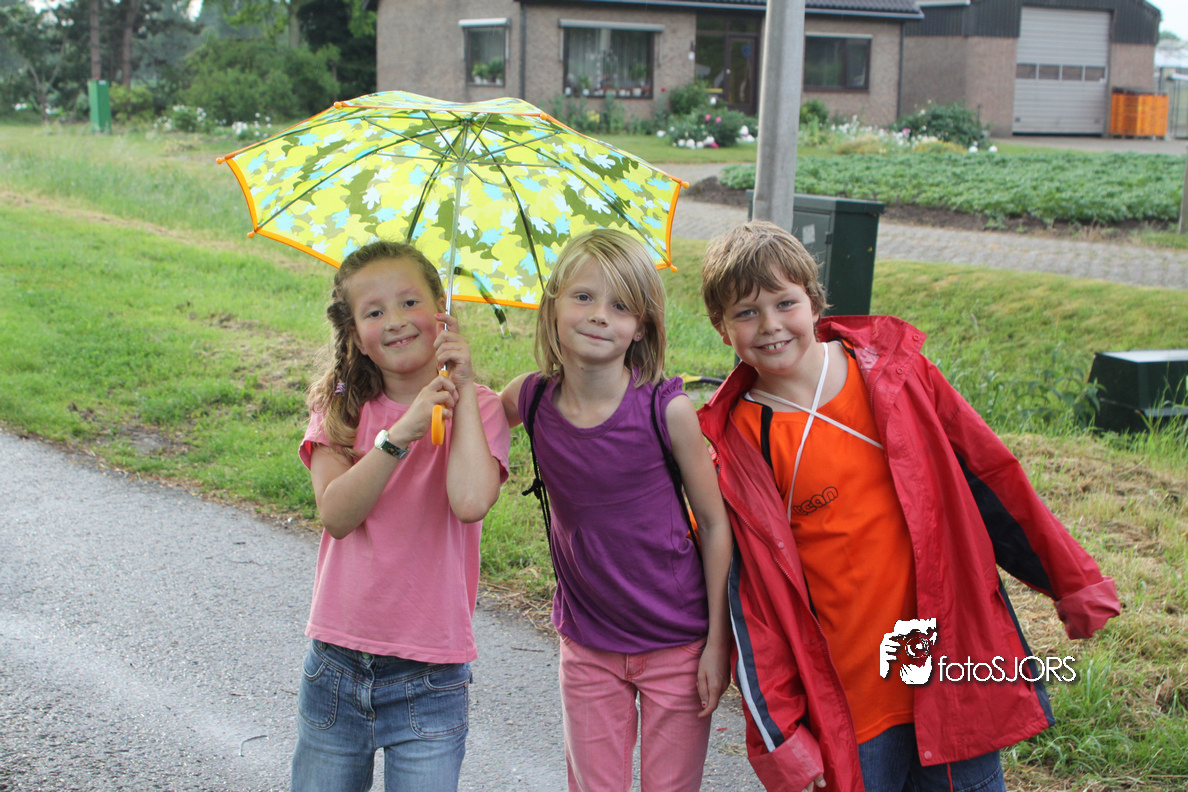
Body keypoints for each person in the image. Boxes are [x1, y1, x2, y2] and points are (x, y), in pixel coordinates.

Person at [695, 221, 1121, 792]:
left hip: (951, 678)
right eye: (746, 313)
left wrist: (1072, 581)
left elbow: (993, 480)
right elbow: (754, 604)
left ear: (815, 301)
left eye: (784, 303)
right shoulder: (737, 444)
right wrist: (783, 734)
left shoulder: (901, 376)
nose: (770, 324)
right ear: (720, 327)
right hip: (850, 707)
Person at [499, 229, 734, 792]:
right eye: (583, 297)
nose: (599, 315)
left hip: (678, 641)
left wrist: (717, 643)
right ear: (553, 306)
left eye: (621, 305)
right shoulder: (529, 398)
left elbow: (715, 526)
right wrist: (448, 381)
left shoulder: (667, 411)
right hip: (588, 642)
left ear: (642, 326)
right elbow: (474, 423)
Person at [291, 240, 511, 792]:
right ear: (355, 336)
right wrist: (398, 436)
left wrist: (461, 387)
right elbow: (336, 514)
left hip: (430, 675)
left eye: (410, 303)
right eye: (374, 312)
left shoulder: (480, 408)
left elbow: (469, 502)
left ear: (443, 310)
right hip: (338, 665)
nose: (395, 321)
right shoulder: (342, 407)